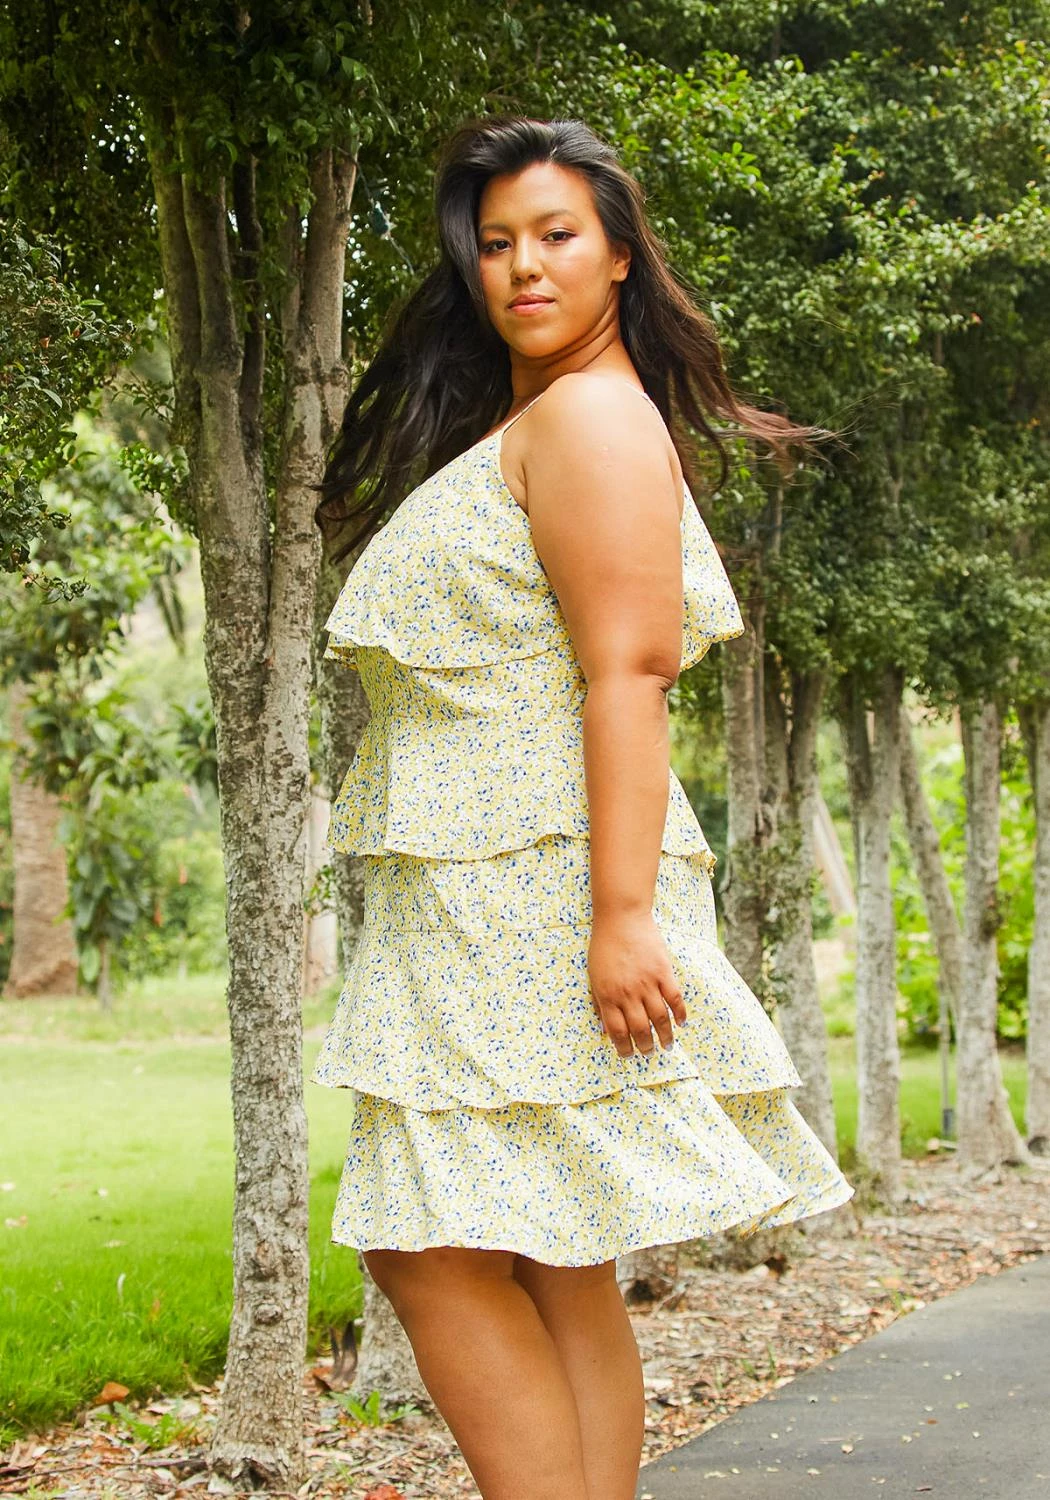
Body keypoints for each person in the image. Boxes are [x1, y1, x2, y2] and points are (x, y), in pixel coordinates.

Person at [311, 114, 853, 1500]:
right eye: (496, 243)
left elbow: (630, 671)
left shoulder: (592, 418)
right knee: (554, 1255)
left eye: (556, 234)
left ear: (619, 255)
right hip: (484, 880)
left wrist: (620, 916)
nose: (523, 266)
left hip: (533, 886)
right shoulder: (546, 419)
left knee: (430, 1252)